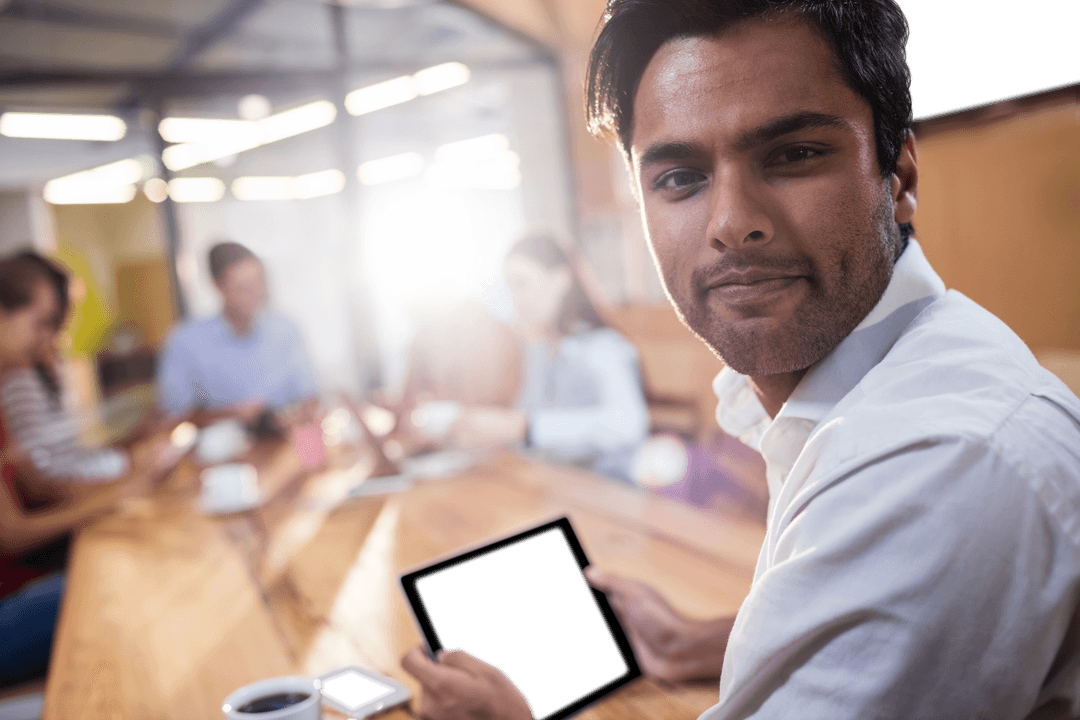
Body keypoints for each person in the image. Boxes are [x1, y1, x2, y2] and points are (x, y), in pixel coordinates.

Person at [399, 1, 1080, 718]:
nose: (730, 223)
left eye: (793, 155)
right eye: (678, 179)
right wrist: (719, 641)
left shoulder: (940, 465)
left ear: (899, 177)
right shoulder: (876, 385)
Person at [0, 253, 167, 687]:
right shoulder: (16, 386)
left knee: (124, 565)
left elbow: (36, 482)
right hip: (10, 600)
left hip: (22, 580)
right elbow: (11, 533)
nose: (50, 338)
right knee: (120, 583)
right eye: (41, 323)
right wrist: (111, 496)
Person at [405, 233, 650, 482]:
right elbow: (523, 424)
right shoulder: (539, 351)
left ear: (560, 280)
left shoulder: (603, 348)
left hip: (607, 495)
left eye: (522, 284)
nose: (516, 299)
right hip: (554, 486)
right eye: (510, 287)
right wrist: (479, 430)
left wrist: (524, 427)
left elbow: (627, 426)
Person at [0, 252, 131, 487]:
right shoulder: (18, 381)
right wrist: (128, 478)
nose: (51, 338)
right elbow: (40, 486)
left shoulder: (23, 376)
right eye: (42, 322)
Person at [157, 241, 320, 428]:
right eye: (243, 288)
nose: (256, 295)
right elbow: (173, 416)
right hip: (218, 447)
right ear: (218, 286)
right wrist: (230, 414)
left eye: (259, 284)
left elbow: (310, 398)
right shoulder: (184, 342)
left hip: (285, 440)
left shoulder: (286, 329)